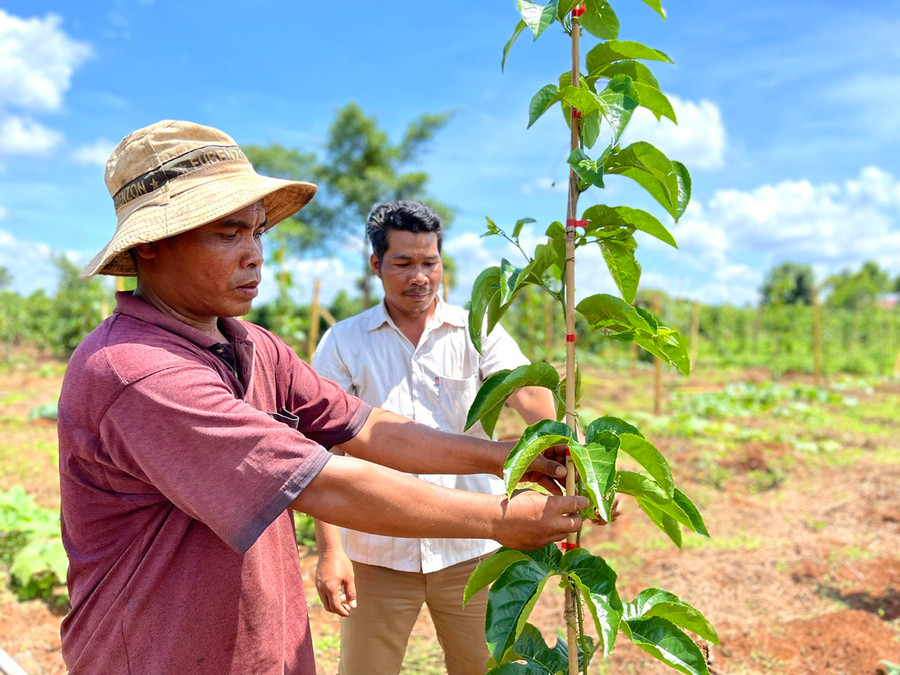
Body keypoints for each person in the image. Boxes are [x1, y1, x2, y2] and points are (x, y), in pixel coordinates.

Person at [56, 120, 588, 674]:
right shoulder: (137, 371)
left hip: (256, 647)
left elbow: (365, 427)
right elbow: (322, 482)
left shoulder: (254, 346)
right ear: (150, 246)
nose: (255, 254)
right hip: (156, 655)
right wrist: (501, 519)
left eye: (257, 231)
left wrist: (506, 457)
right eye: (226, 233)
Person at [311, 200, 560, 674]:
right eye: (403, 263)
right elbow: (324, 447)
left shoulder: (477, 330)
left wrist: (565, 443)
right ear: (376, 265)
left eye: (430, 262)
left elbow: (524, 390)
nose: (419, 276)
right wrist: (330, 550)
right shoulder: (344, 341)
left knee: (485, 666)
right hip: (377, 551)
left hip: (472, 547)